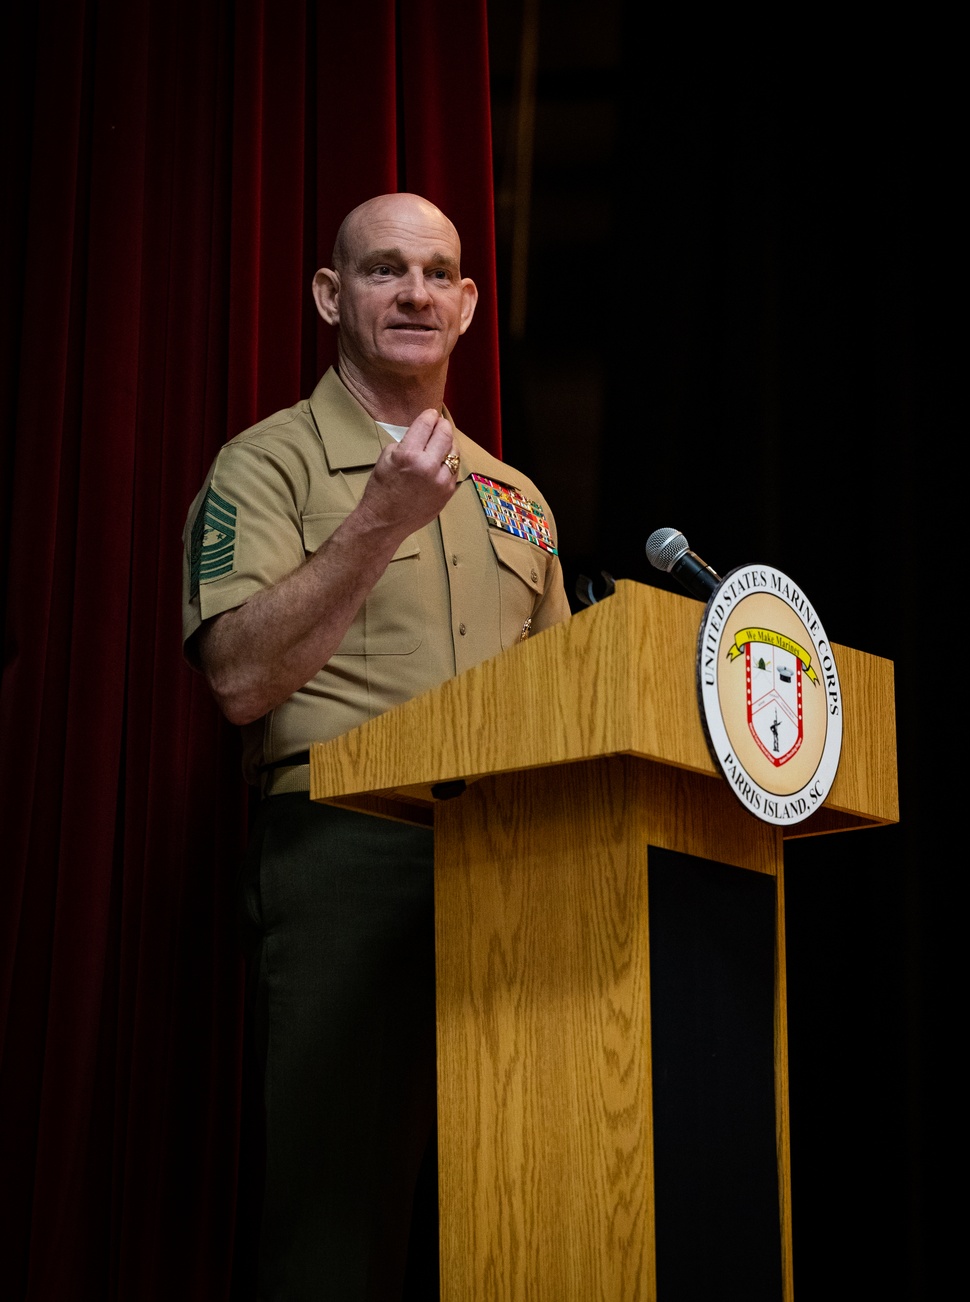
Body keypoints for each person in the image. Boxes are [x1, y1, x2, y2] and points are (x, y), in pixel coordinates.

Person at [182, 192, 571, 1300]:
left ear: (467, 304)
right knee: (338, 1224)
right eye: (382, 269)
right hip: (343, 849)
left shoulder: (518, 501)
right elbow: (239, 680)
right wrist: (377, 521)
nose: (413, 292)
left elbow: (558, 706)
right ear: (328, 295)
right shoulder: (266, 466)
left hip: (512, 866)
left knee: (517, 1209)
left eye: (436, 272)